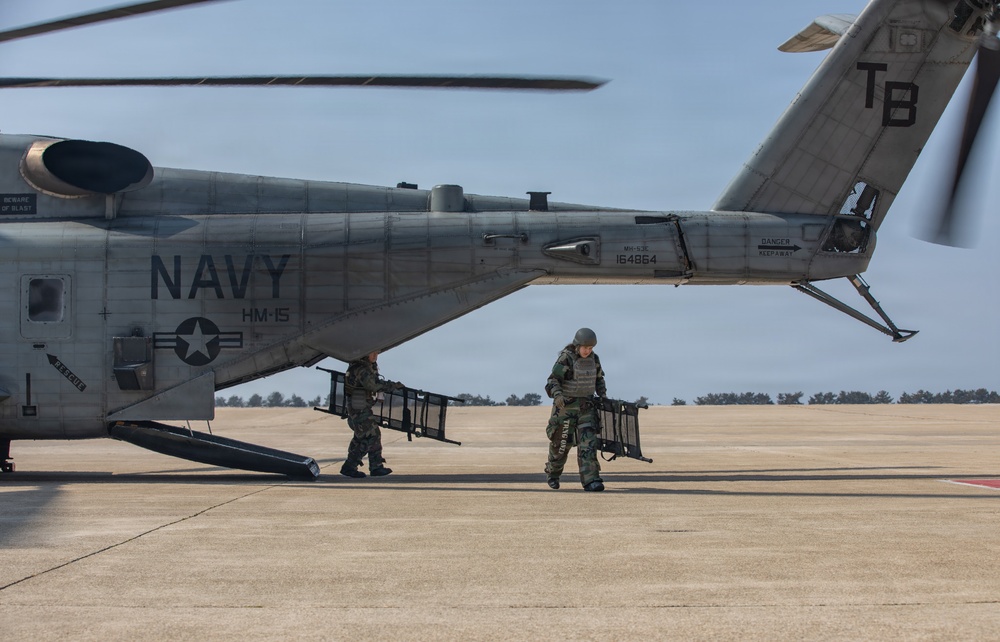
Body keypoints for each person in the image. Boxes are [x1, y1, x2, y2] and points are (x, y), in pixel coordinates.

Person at [544, 328, 607, 492]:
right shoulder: (566, 358)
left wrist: (603, 396)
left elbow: (599, 379)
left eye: (591, 348)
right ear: (577, 345)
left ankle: (591, 480)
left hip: (586, 408)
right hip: (565, 409)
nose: (588, 351)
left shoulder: (594, 359)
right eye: (585, 347)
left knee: (588, 444)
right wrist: (557, 395)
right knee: (562, 443)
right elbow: (552, 381)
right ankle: (553, 473)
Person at [340, 350, 400, 478]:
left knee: (361, 438)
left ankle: (350, 467)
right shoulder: (361, 369)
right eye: (372, 353)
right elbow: (373, 385)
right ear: (365, 354)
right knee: (373, 434)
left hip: (359, 406)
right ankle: (375, 467)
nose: (375, 356)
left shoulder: (365, 367)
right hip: (359, 408)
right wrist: (393, 386)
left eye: (377, 353)